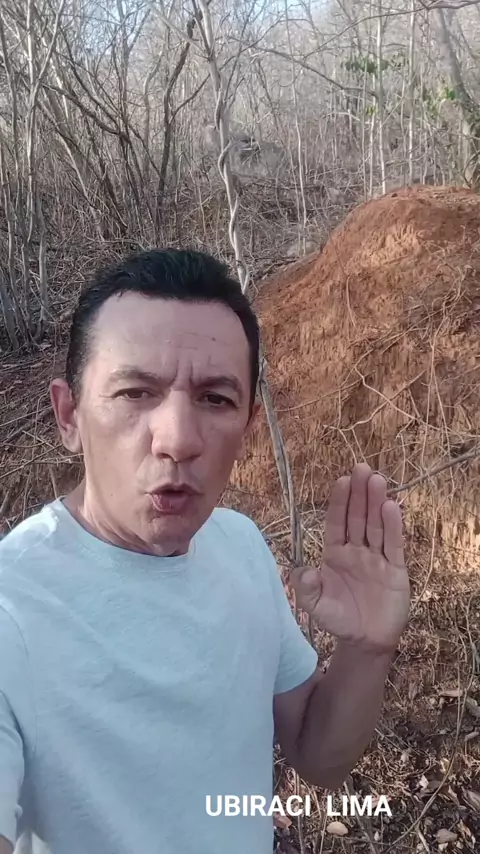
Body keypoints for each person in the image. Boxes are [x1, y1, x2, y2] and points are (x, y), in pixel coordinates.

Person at [0, 248, 410, 854]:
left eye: (215, 399)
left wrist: (367, 651)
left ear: (247, 426)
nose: (178, 439)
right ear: (69, 416)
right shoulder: (13, 611)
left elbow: (318, 757)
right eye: (135, 392)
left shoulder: (240, 546)